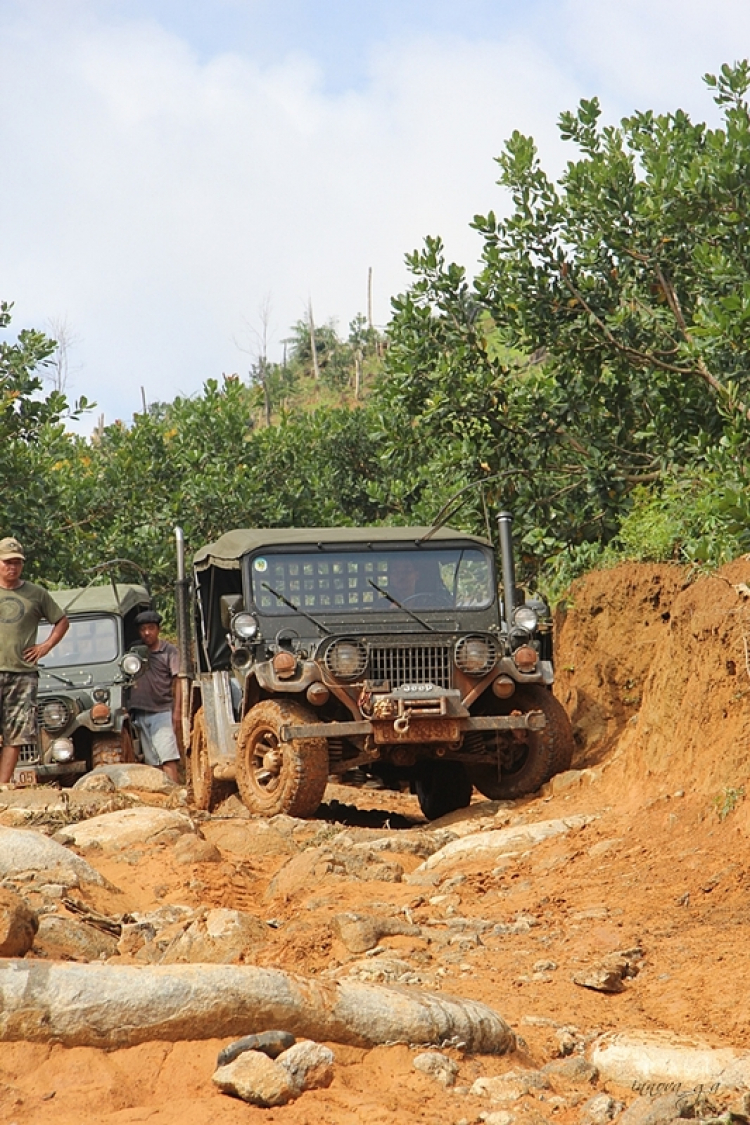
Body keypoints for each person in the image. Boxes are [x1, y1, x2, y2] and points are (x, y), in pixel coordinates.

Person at [0, 537, 69, 785]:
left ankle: (3, 786)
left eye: (17, 562)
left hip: (22, 672)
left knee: (16, 733)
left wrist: (46, 645)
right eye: (7, 562)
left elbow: (61, 621)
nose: (12, 567)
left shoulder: (36, 594)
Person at [127, 610, 182, 783]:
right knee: (152, 762)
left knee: (167, 757)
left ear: (158, 629)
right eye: (143, 629)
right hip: (140, 712)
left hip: (161, 710)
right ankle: (161, 799)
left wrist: (178, 711)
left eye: (151, 628)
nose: (147, 633)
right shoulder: (134, 652)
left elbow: (178, 681)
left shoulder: (169, 651)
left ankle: (175, 793)